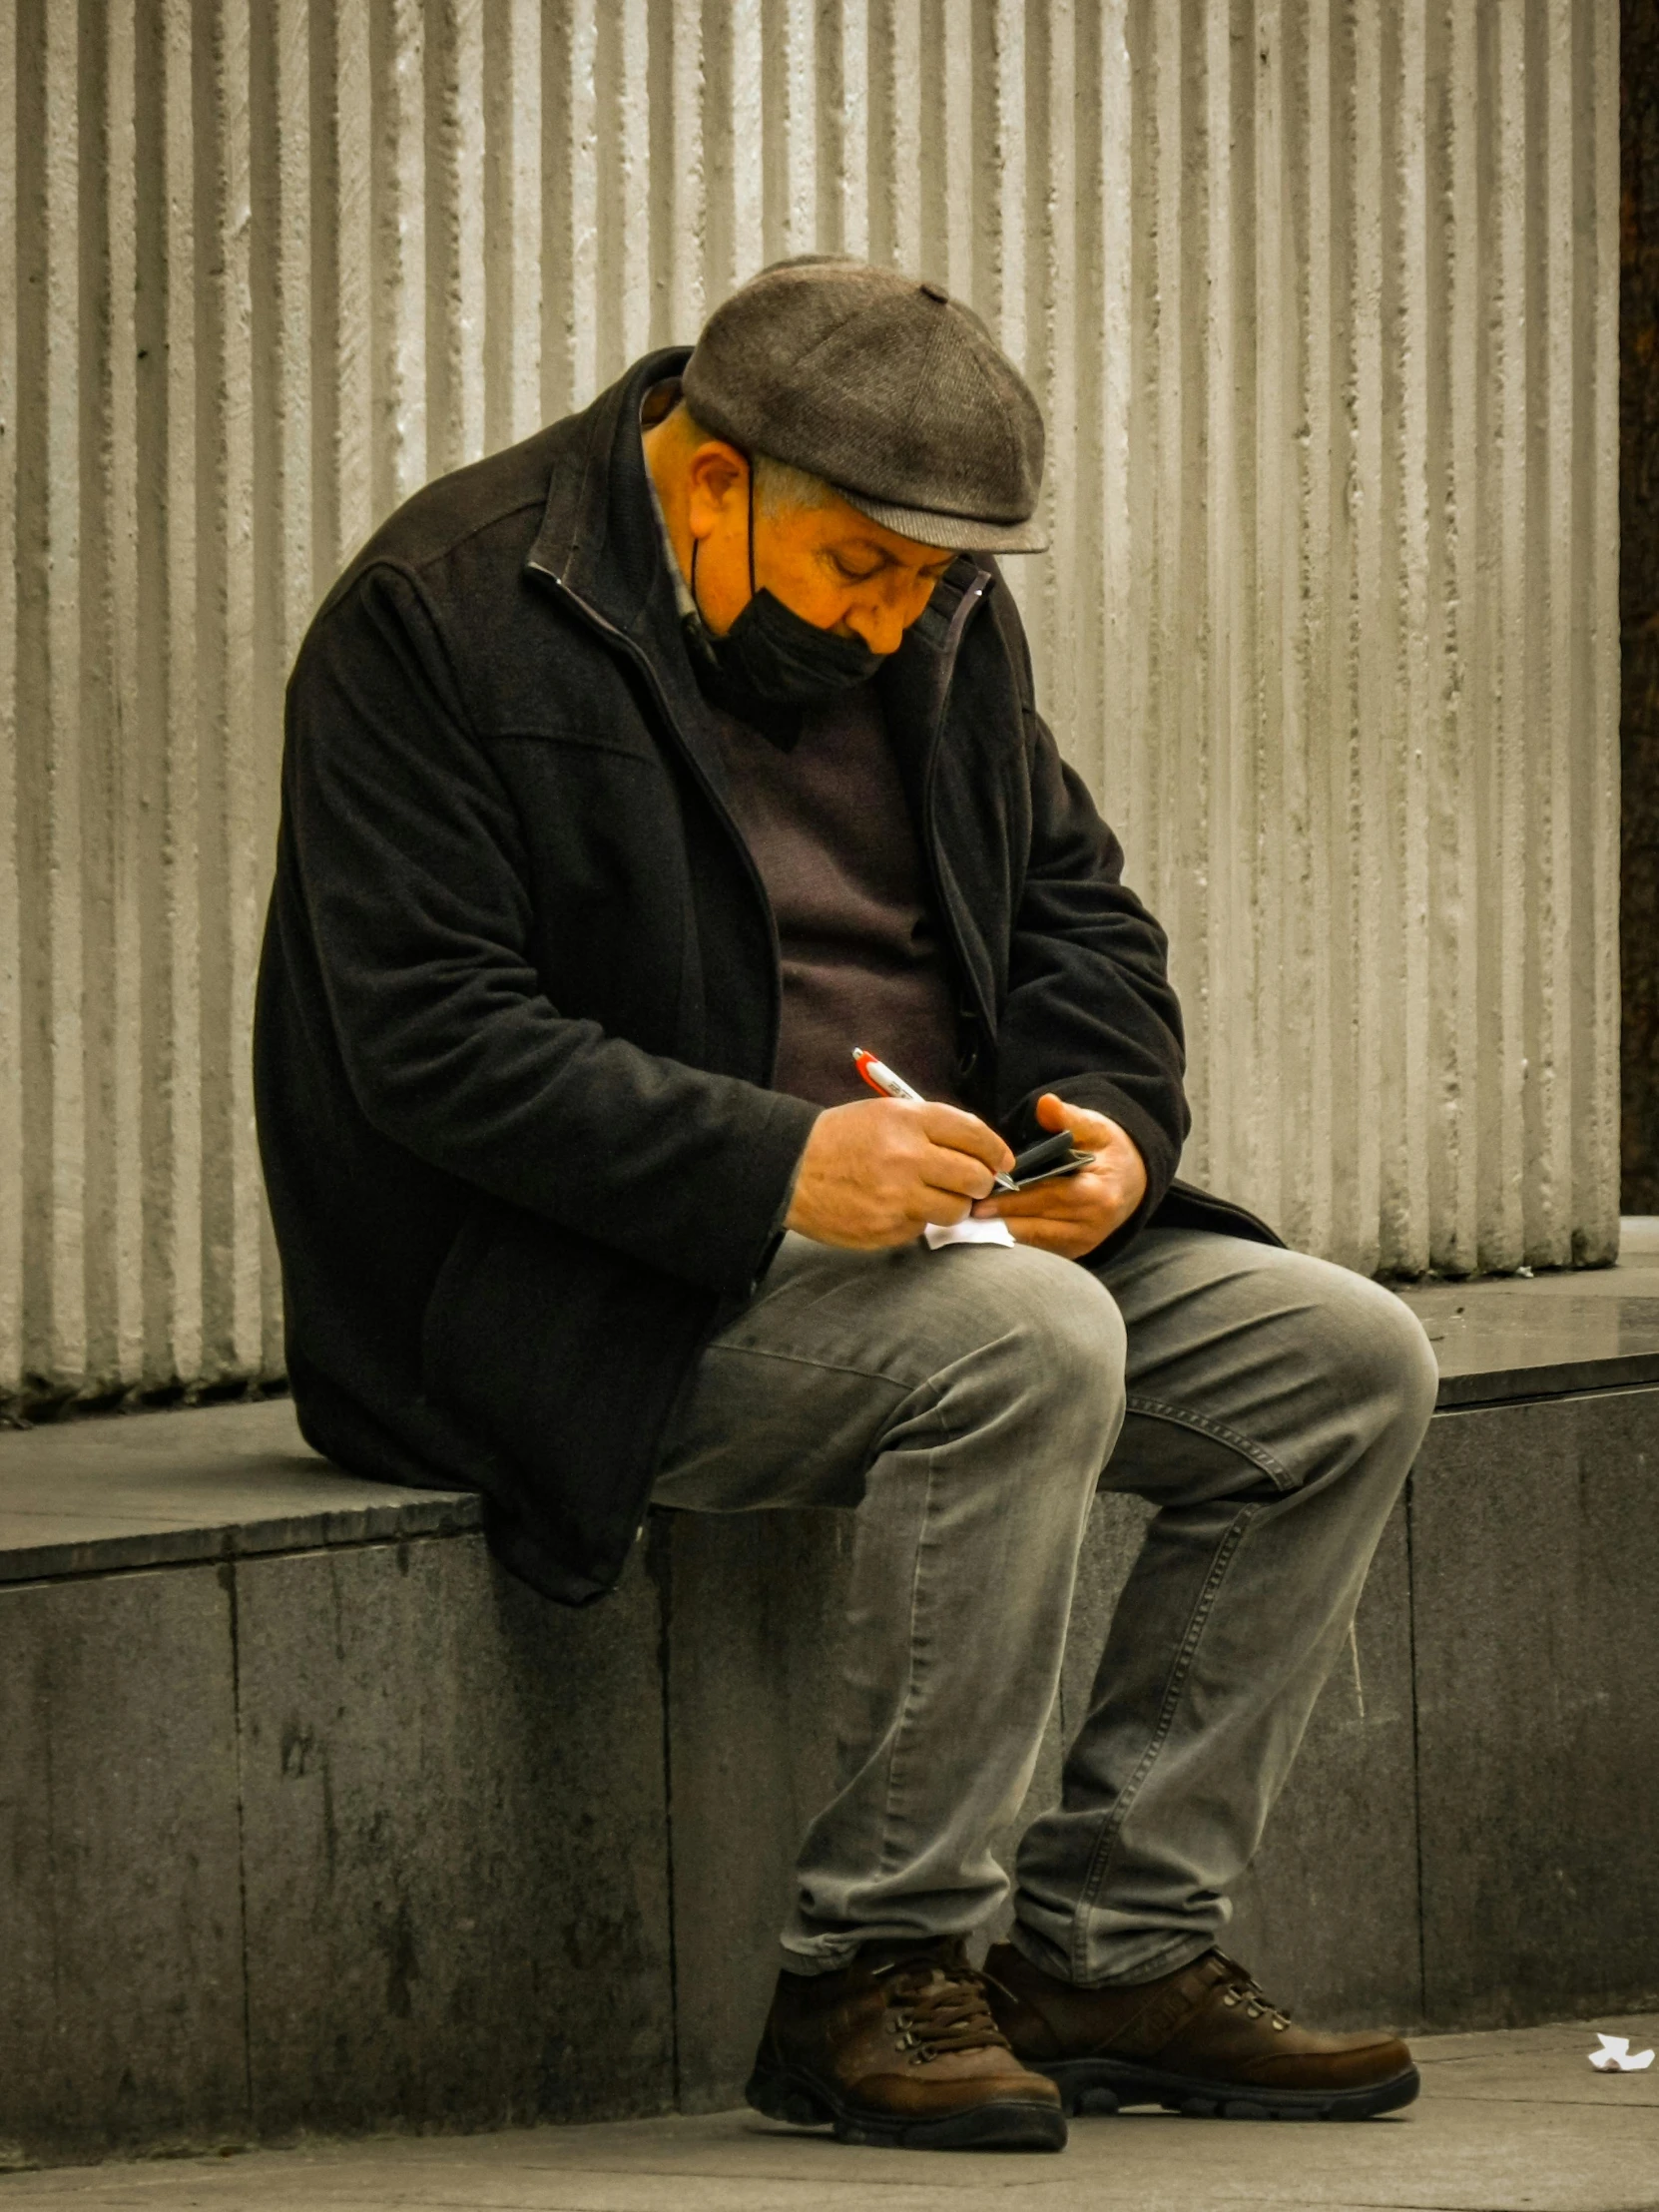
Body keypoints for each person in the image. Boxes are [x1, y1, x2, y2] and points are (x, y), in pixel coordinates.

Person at [255, 256, 1440, 2155]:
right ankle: (867, 1977)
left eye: (940, 582)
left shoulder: (942, 618)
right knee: (1028, 1341)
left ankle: (1115, 1951)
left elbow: (1077, 913)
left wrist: (1112, 1128)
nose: (898, 626)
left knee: (1347, 1359)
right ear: (710, 479)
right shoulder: (441, 614)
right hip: (566, 1291)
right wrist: (778, 1161)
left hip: (933, 1248)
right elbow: (429, 1042)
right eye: (864, 573)